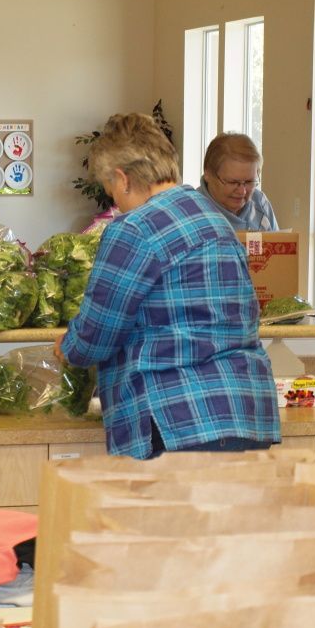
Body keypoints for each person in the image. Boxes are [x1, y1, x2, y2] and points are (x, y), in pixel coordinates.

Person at [55, 113, 279, 460]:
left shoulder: (134, 229)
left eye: (111, 190)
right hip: (246, 412)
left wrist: (68, 347)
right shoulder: (213, 219)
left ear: (122, 178)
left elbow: (97, 335)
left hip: (178, 416)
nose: (115, 201)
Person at [199, 133, 279, 231]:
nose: (242, 192)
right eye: (232, 182)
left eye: (249, 181)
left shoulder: (259, 202)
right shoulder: (191, 212)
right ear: (208, 174)